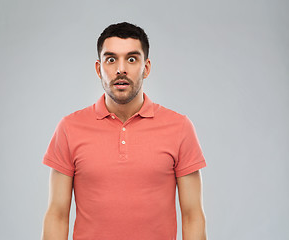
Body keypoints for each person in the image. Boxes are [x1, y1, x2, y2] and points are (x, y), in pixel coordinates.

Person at [41, 22, 207, 240]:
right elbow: (57, 214)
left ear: (146, 68)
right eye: (111, 59)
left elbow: (192, 214)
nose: (121, 69)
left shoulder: (180, 127)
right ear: (99, 68)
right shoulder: (69, 128)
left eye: (131, 59)